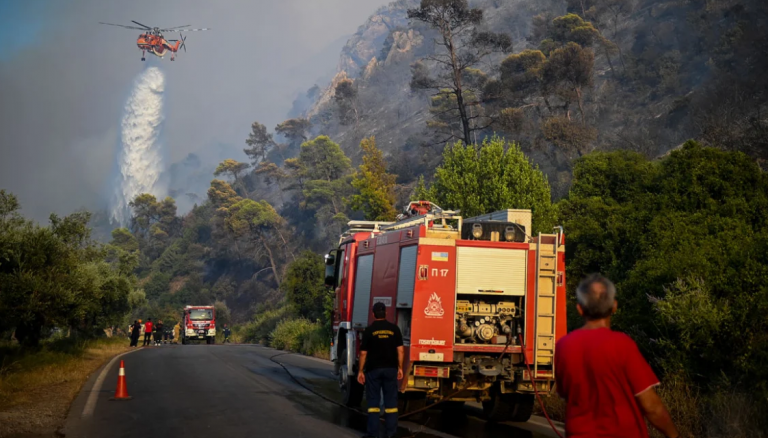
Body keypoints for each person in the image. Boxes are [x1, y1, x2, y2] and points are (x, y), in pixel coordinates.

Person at [555, 274, 679, 438]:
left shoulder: (563, 346)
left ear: (579, 309)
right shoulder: (623, 345)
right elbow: (651, 406)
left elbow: (566, 394)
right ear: (614, 306)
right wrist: (674, 435)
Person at [357, 302, 404, 438]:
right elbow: (400, 350)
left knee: (373, 402)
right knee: (391, 403)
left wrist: (360, 371)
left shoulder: (369, 330)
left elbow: (363, 353)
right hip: (390, 370)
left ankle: (373, 434)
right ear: (386, 313)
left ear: (373, 314)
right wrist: (400, 367)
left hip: (373, 371)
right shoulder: (394, 329)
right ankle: (391, 433)